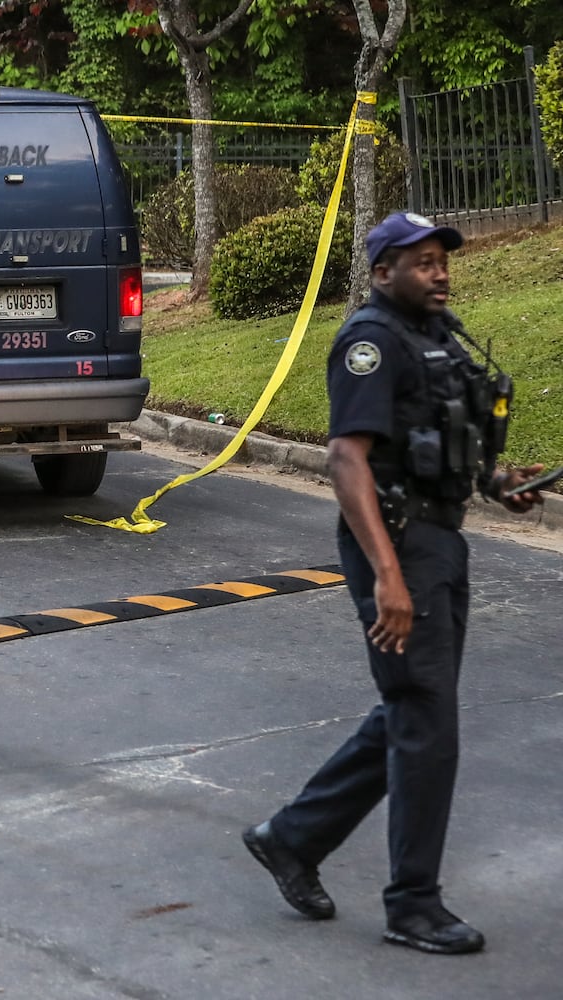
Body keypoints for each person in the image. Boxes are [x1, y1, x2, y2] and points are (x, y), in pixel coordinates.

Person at [241, 211, 546, 955]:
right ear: (382, 272)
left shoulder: (437, 337)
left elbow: (435, 443)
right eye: (420, 262)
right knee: (426, 722)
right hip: (398, 545)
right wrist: (387, 577)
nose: (438, 272)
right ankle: (411, 904)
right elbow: (347, 461)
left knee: (414, 707)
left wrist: (498, 484)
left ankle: (291, 836)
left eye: (442, 259)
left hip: (439, 539)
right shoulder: (370, 342)